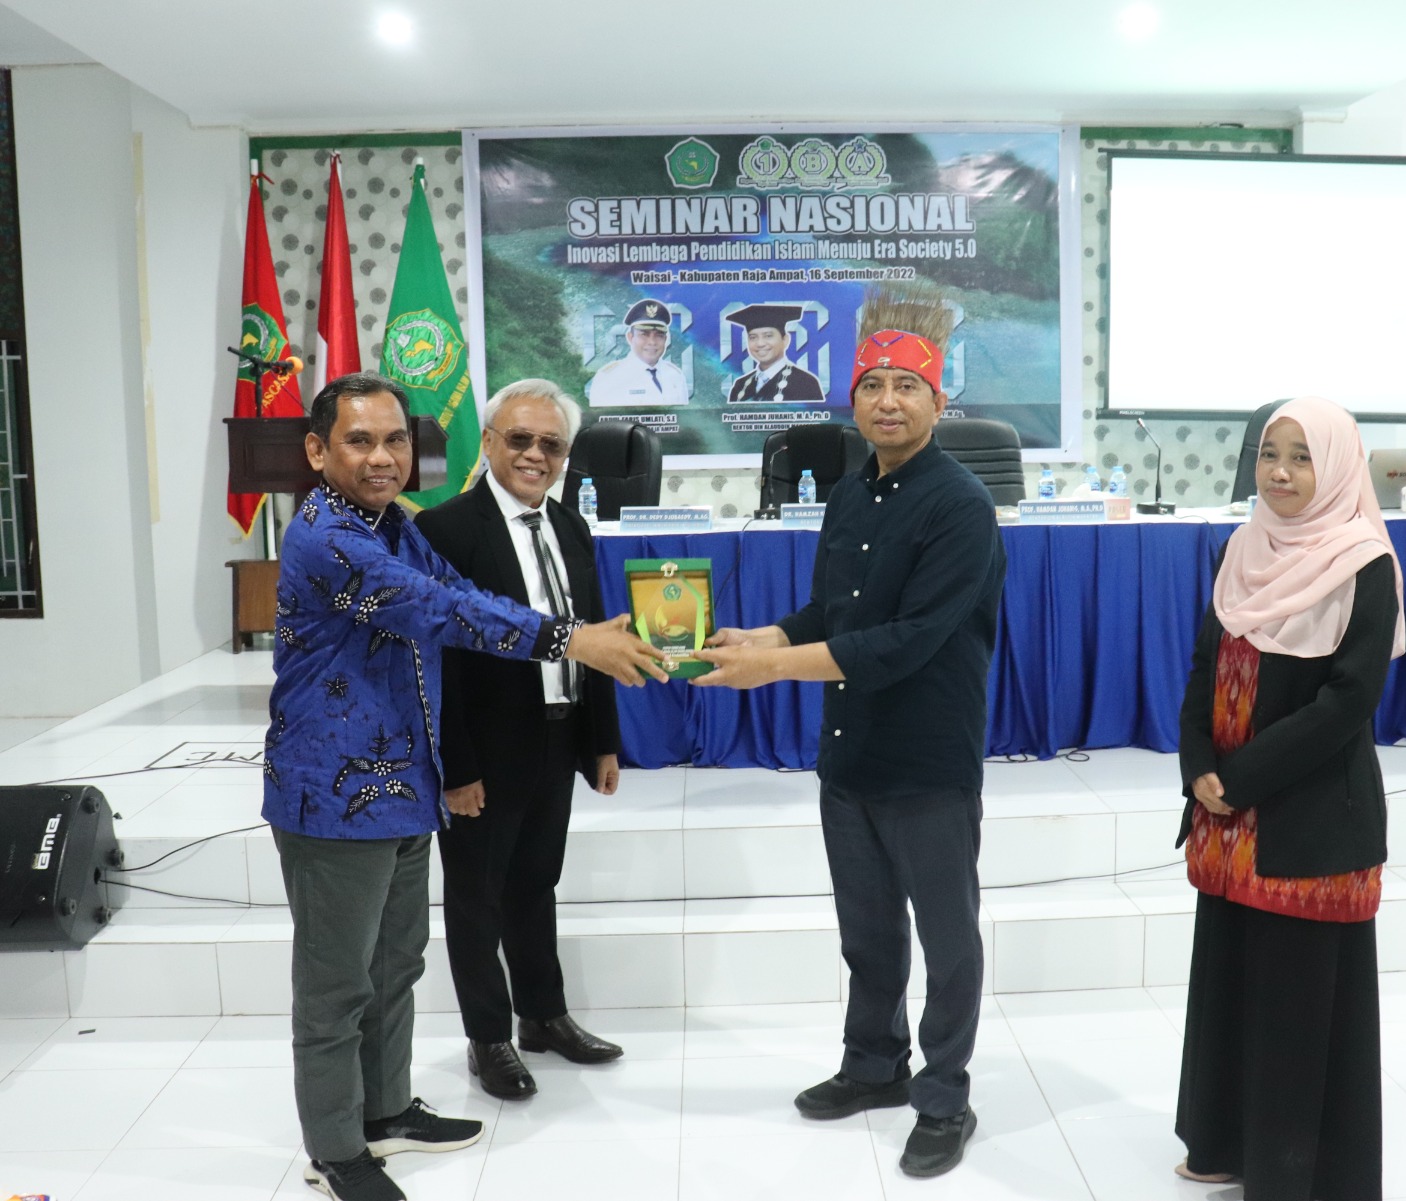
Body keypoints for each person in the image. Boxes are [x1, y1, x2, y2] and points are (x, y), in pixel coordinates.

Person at [262, 372, 666, 1201]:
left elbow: (457, 592)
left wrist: (574, 641)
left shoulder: (389, 525)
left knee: (396, 964)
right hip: (334, 796)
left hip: (403, 783)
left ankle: (384, 1110)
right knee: (336, 987)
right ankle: (336, 1148)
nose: (382, 457)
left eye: (394, 440)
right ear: (318, 450)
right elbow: (436, 611)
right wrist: (568, 638)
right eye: (359, 441)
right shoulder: (328, 537)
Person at [692, 285, 1005, 1179]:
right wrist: (766, 637)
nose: (888, 401)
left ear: (937, 401)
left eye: (908, 386)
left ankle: (944, 1095)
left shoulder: (961, 506)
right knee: (866, 931)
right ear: (853, 398)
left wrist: (775, 669)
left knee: (948, 941)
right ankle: (873, 1066)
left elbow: (903, 641)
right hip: (851, 751)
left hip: (928, 757)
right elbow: (834, 611)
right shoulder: (850, 493)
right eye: (873, 385)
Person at [1172, 395, 1404, 1200]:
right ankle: (1223, 1143)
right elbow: (1205, 663)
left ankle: (1293, 1174)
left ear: (1336, 466)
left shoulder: (1364, 562)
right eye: (1271, 454)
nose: (1280, 472)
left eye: (1303, 457)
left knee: (1294, 1004)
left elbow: (1347, 703)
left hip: (1308, 820)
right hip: (1227, 820)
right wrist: (1197, 763)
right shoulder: (1244, 546)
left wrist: (1237, 780)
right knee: (1231, 985)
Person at [413, 379, 625, 1103]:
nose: (536, 454)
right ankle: (488, 1036)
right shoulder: (446, 530)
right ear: (489, 442)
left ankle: (543, 1014)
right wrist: (455, 767)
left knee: (537, 882)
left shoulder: (571, 526)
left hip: (557, 737)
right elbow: (437, 662)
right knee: (477, 896)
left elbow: (595, 635)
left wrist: (601, 740)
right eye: (521, 439)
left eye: (551, 444)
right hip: (483, 749)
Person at [587, 298, 688, 406]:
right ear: (630, 337)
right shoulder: (609, 378)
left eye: (659, 335)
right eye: (644, 334)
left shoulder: (675, 375)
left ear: (665, 339)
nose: (652, 342)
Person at [726, 302, 825, 402]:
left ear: (785, 340)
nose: (760, 343)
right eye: (753, 337)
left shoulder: (805, 383)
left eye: (768, 336)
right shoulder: (740, 386)